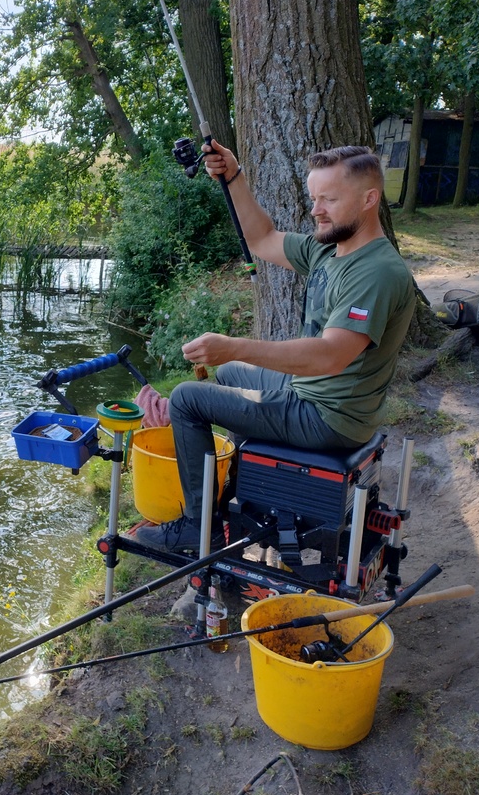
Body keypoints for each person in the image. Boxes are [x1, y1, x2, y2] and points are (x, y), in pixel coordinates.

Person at [127, 141, 416, 553]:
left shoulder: (376, 272)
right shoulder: (330, 248)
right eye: (314, 198)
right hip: (311, 393)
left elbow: (330, 356)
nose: (316, 210)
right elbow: (262, 238)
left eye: (329, 199)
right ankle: (238, 492)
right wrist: (234, 176)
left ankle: (197, 525)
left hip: (329, 417)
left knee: (189, 399)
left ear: (369, 199)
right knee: (226, 377)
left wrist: (234, 347)